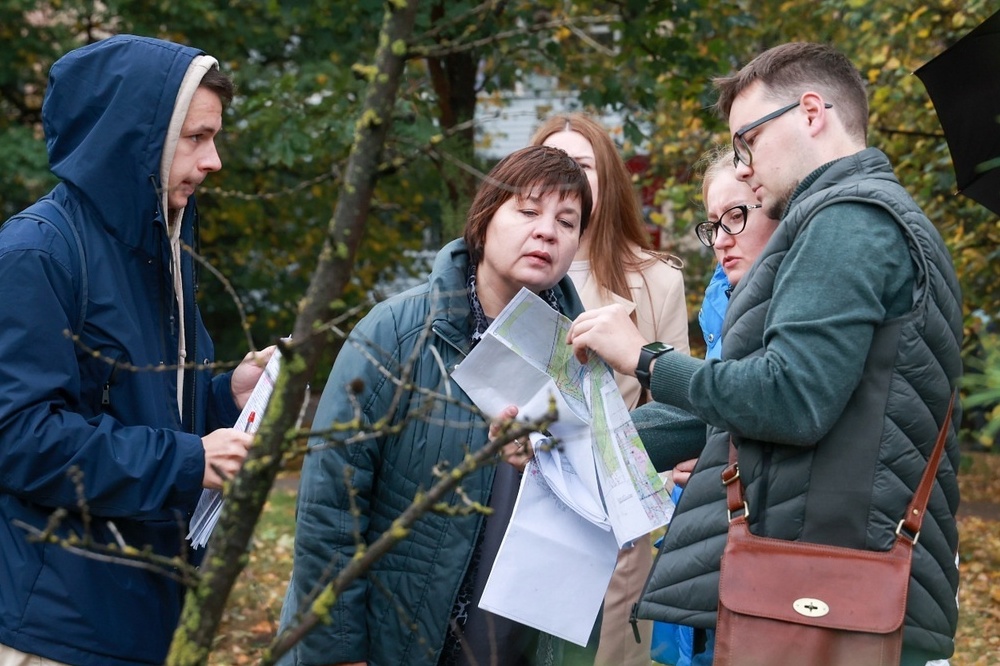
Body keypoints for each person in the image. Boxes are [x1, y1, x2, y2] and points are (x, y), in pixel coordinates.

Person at [566, 42, 962, 666]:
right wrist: (573, 439)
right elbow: (732, 405)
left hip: (832, 598)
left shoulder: (850, 219)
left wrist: (645, 359)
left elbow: (789, 399)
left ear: (811, 112)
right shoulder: (852, 218)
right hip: (831, 590)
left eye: (747, 141)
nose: (744, 166)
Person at [0, 35, 273, 666]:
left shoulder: (162, 254)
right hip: (58, 626)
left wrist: (224, 395)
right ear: (134, 136)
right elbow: (21, 439)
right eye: (197, 138)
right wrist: (186, 461)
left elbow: (149, 410)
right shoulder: (38, 254)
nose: (214, 161)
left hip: (147, 613)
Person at [277, 145, 592, 666]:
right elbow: (330, 504)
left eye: (567, 221)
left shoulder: (580, 359)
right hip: (387, 639)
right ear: (485, 217)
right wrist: (339, 651)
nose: (547, 232)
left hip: (509, 642)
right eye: (529, 210)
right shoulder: (397, 333)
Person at [528, 112, 689, 666]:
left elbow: (676, 409)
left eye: (581, 165)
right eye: (550, 163)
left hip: (613, 521)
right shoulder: (502, 273)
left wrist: (652, 484)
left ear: (608, 180)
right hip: (510, 506)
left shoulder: (658, 279)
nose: (565, 176)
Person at [650, 146, 780, 666]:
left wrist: (648, 364)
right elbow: (710, 414)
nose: (721, 239)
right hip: (711, 554)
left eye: (737, 216)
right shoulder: (721, 297)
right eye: (713, 224)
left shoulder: (801, 306)